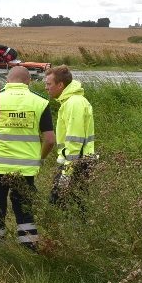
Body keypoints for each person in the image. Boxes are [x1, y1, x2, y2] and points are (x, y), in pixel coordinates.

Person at [0, 66, 55, 250]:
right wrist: (40, 159)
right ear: (28, 82)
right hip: (25, 169)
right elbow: (49, 140)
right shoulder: (40, 102)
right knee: (24, 210)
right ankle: (29, 248)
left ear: (7, 80)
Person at [44, 65, 95, 209]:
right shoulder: (70, 101)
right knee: (75, 206)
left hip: (76, 163)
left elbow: (75, 141)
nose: (46, 88)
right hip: (76, 162)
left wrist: (67, 173)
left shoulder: (74, 103)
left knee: (58, 205)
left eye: (49, 84)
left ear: (60, 85)